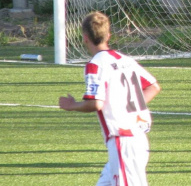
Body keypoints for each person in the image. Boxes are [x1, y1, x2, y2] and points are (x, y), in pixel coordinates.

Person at [59, 11, 161, 185]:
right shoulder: (126, 59)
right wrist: (130, 107)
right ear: (108, 35)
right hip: (137, 137)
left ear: (85, 38)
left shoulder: (95, 65)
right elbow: (153, 87)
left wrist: (72, 105)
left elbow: (96, 103)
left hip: (123, 139)